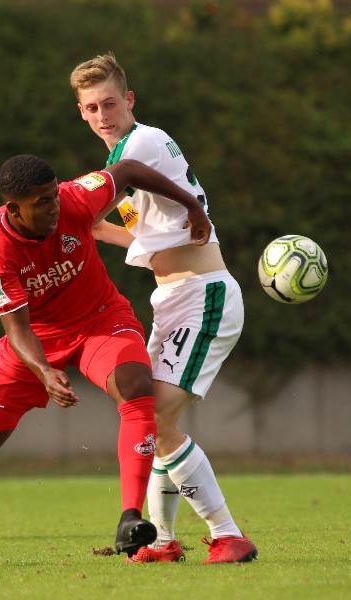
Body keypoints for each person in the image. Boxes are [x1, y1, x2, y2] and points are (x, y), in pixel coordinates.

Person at [0, 154, 212, 565]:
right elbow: (17, 330)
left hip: (100, 321)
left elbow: (127, 171)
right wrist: (44, 370)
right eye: (41, 202)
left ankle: (130, 518)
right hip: (36, 342)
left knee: (135, 386)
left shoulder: (74, 200)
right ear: (13, 208)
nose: (54, 206)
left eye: (53, 195)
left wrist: (191, 204)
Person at [69, 53, 258, 564]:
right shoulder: (131, 161)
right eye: (92, 107)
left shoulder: (142, 146)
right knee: (151, 421)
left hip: (203, 293)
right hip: (174, 298)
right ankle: (163, 542)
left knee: (150, 416)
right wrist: (83, 227)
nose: (103, 114)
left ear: (129, 100)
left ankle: (227, 534)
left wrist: (61, 219)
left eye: (111, 102)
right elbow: (130, 230)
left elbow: (91, 203)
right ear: (82, 114)